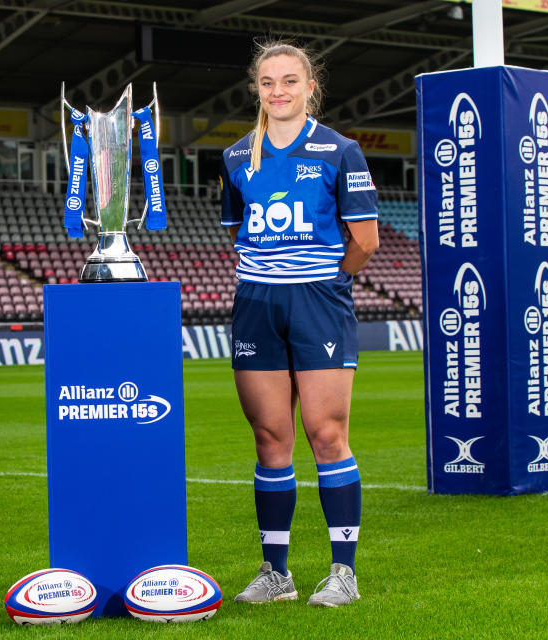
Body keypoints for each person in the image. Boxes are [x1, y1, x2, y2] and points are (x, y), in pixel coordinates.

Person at [219, 42, 379, 607]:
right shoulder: (238, 156)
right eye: (268, 82)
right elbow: (235, 230)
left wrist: (327, 281)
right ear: (256, 88)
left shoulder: (340, 151)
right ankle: (276, 572)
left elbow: (365, 241)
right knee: (269, 440)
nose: (279, 91)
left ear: (311, 87)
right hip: (257, 303)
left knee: (326, 434)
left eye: (290, 81)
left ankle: (343, 572)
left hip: (319, 303)